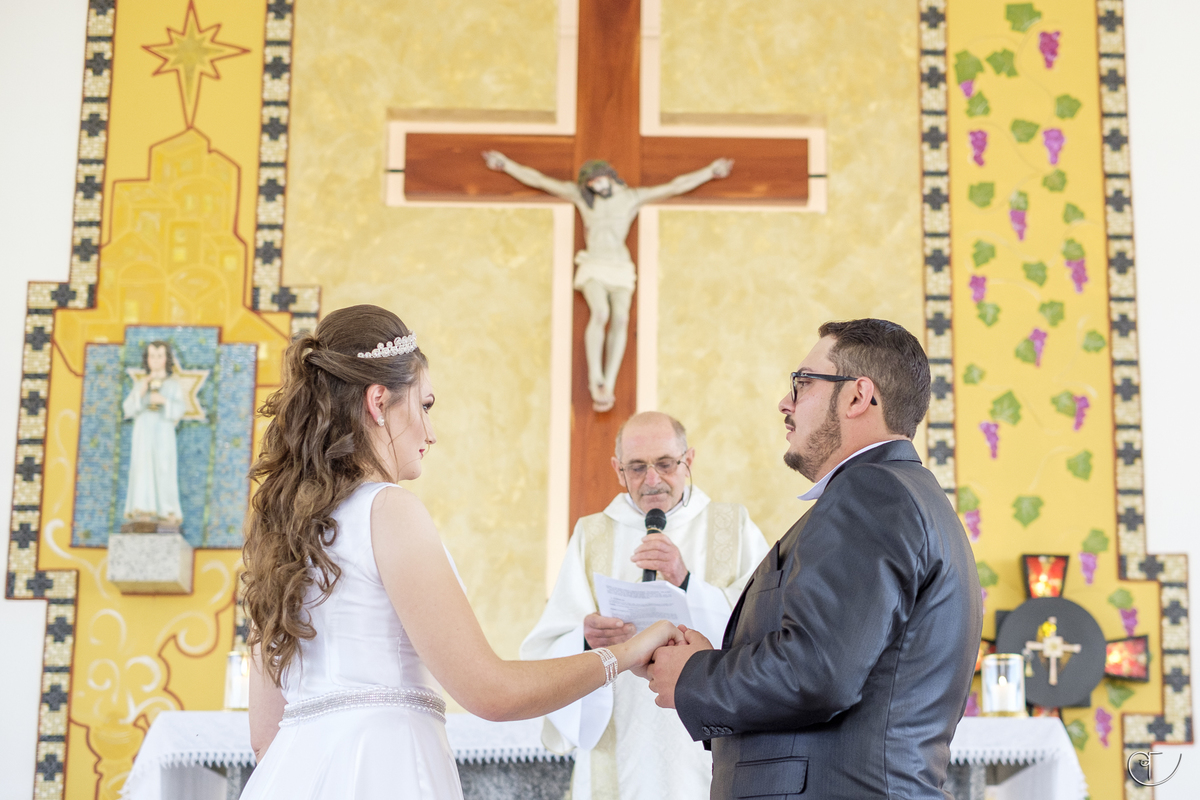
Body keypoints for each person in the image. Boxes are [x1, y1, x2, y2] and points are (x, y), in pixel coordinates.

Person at [238, 305, 683, 799]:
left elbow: (264, 736)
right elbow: (490, 692)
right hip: (385, 775)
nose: (431, 432)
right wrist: (623, 654)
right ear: (379, 401)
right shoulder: (388, 510)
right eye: (425, 406)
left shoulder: (282, 529)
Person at [647, 319, 983, 800]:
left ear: (857, 397)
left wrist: (694, 676)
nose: (785, 403)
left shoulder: (872, 492)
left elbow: (818, 672)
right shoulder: (900, 495)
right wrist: (711, 660)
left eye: (802, 384)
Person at [521, 411, 769, 800]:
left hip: (704, 746)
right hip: (620, 735)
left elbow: (761, 626)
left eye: (665, 464)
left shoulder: (731, 526)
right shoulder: (593, 533)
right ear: (618, 471)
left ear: (688, 460)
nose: (652, 480)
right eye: (637, 468)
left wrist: (686, 581)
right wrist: (586, 639)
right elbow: (549, 645)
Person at [483, 151, 732, 411]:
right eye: (591, 184)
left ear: (610, 177)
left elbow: (675, 186)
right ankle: (595, 379)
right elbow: (540, 181)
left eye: (599, 180)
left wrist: (710, 171)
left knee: (621, 319)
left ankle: (608, 382)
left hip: (620, 267)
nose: (596, 186)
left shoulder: (632, 198)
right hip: (594, 264)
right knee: (600, 313)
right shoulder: (584, 198)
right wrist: (507, 165)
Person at [121, 341, 185, 531]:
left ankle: (167, 510)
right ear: (146, 360)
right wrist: (141, 392)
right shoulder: (141, 383)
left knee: (164, 467)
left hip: (163, 430)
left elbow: (179, 409)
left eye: (159, 356)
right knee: (143, 467)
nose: (155, 360)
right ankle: (143, 507)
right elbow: (127, 409)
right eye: (152, 356)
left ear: (166, 359)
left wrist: (164, 400)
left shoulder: (173, 385)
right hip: (143, 430)